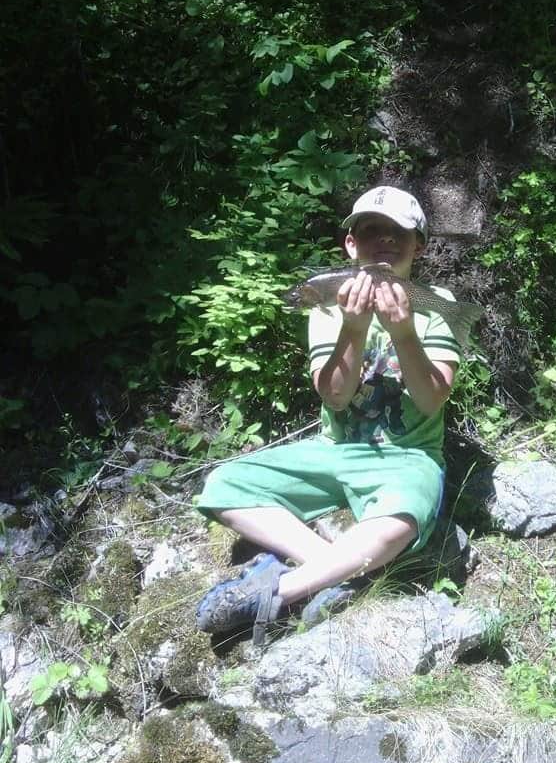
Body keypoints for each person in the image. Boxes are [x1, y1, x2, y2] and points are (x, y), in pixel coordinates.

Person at [195, 186, 461, 643]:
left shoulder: (437, 304)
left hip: (409, 456)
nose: (386, 241)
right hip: (333, 449)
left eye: (398, 232)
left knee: (402, 519)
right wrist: (354, 329)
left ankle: (286, 589)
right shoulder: (326, 305)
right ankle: (340, 569)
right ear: (351, 244)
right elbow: (336, 399)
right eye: (371, 231)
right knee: (222, 485)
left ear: (417, 245)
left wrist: (403, 333)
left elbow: (432, 399)